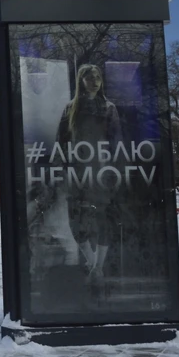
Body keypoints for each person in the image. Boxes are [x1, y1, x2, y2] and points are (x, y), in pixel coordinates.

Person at [56, 64, 123, 284]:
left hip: (102, 171)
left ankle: (98, 267)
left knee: (104, 219)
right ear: (81, 81)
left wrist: (114, 169)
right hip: (77, 172)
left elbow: (116, 142)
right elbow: (61, 142)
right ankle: (94, 264)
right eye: (89, 77)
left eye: (97, 77)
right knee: (76, 219)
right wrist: (66, 165)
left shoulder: (109, 108)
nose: (94, 81)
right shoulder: (70, 108)